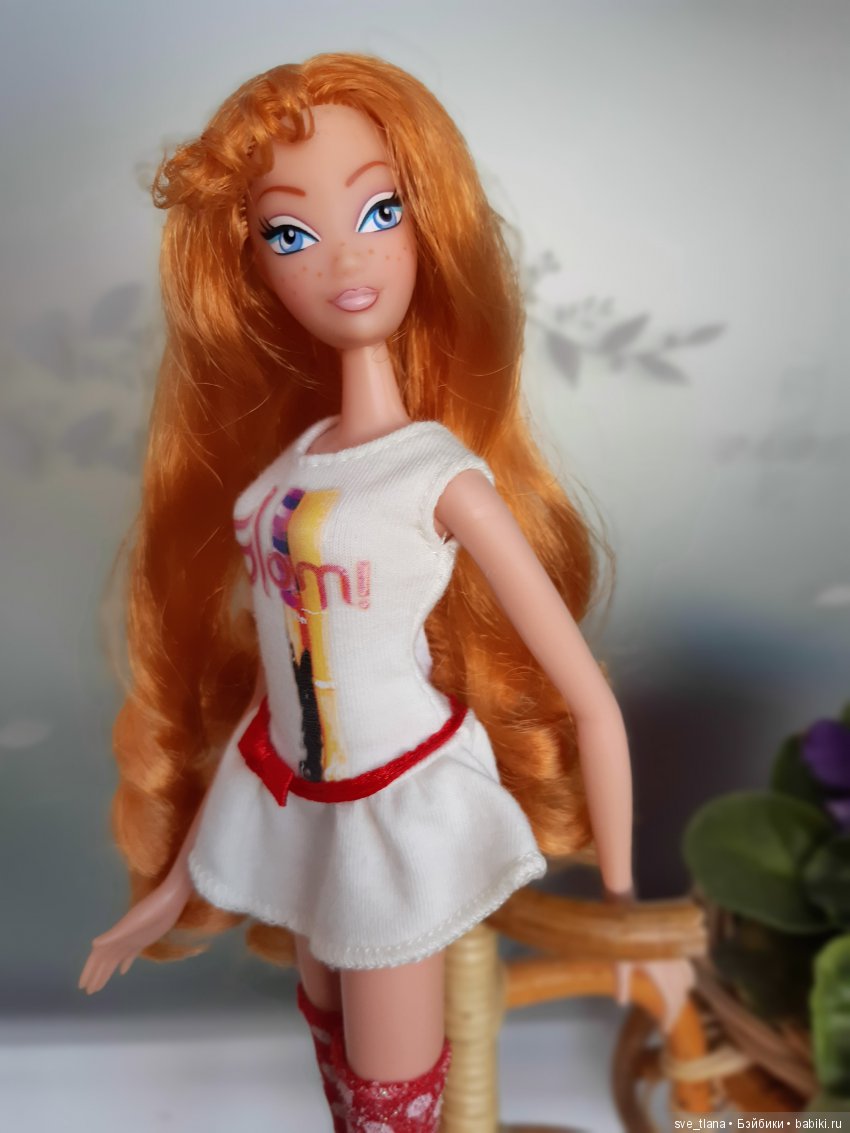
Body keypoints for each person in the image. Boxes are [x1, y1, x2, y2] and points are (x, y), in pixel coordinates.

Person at [79, 53, 695, 1133]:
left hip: (401, 815)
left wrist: (623, 915)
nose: (344, 257)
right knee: (338, 1072)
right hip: (298, 812)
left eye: (379, 211)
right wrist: (172, 887)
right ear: (251, 269)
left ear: (429, 227)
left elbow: (590, 702)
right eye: (289, 233)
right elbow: (277, 697)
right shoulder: (288, 472)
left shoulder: (438, 476)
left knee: (391, 1101)